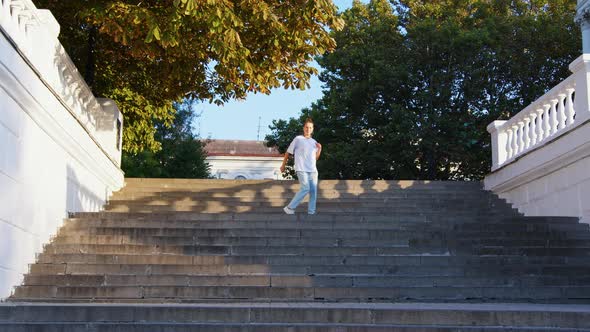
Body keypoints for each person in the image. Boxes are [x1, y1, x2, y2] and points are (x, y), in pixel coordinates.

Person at [280, 118, 322, 215]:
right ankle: (290, 207)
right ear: (303, 128)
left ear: (313, 129)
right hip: (301, 169)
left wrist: (319, 149)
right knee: (305, 188)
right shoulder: (298, 139)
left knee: (313, 192)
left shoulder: (314, 142)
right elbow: (288, 152)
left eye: (310, 128)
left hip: (313, 170)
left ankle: (311, 212)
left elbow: (315, 158)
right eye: (306, 127)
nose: (308, 129)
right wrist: (283, 165)